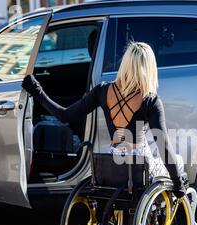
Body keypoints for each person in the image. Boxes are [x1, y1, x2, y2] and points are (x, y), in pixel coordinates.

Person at [22, 41, 186, 198]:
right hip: (139, 168)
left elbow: (65, 116)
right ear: (149, 68)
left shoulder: (102, 91)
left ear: (125, 63)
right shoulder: (150, 100)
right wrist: (178, 186)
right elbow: (164, 147)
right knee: (177, 162)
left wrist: (37, 91)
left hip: (112, 164)